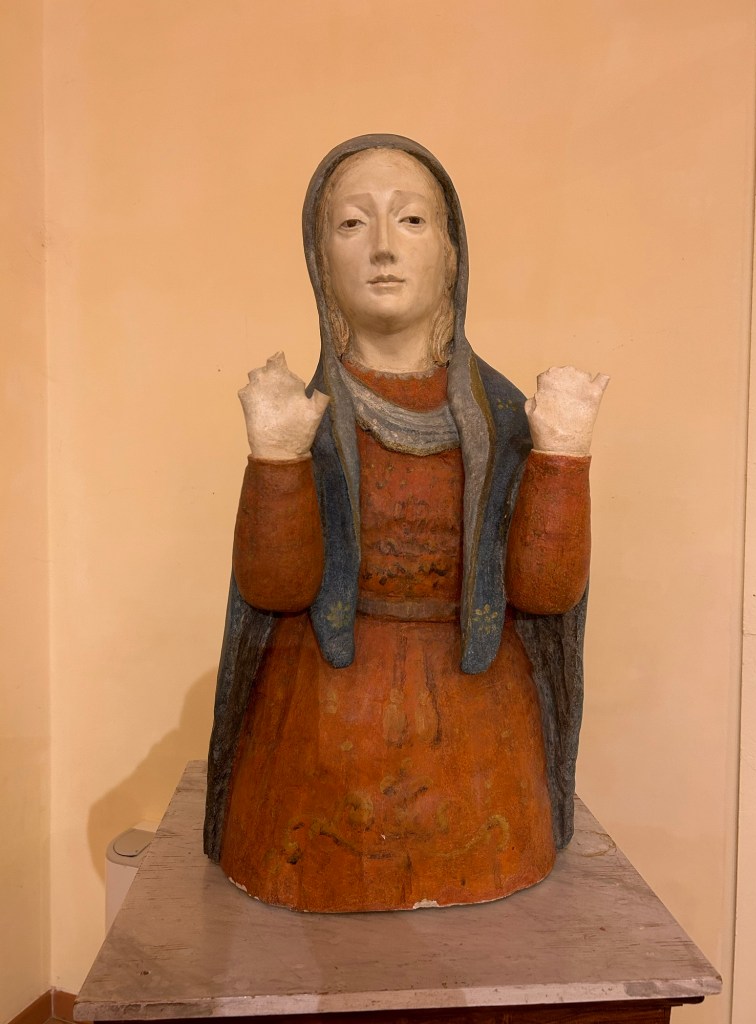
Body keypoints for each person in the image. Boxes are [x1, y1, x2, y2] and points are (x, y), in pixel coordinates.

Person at [204, 135, 608, 912]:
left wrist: (564, 453)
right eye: (353, 224)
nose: (384, 248)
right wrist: (278, 457)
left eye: (412, 220)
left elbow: (545, 593)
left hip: (478, 729)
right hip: (318, 728)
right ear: (320, 260)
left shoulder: (507, 415)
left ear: (452, 256)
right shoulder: (303, 411)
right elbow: (276, 587)